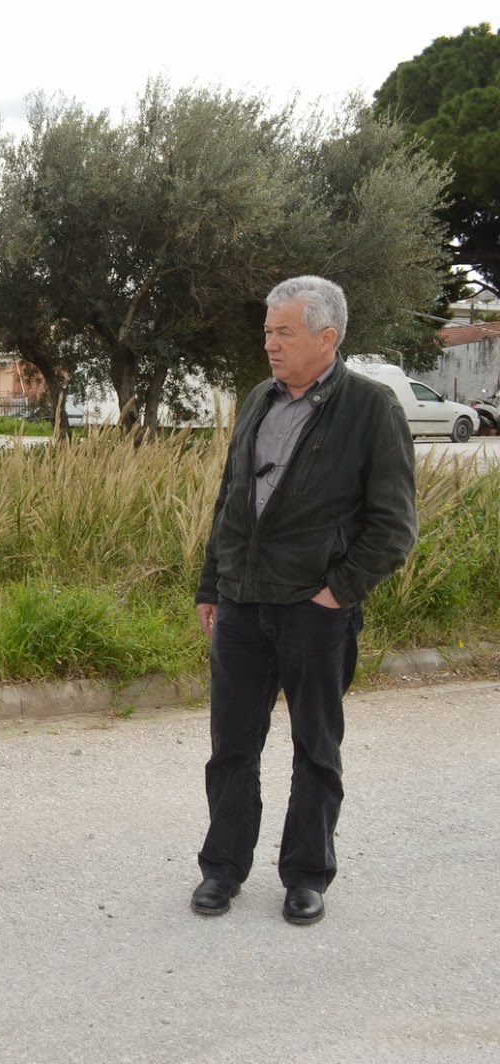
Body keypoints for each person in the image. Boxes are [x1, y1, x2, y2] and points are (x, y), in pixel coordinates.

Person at [191, 275, 417, 926]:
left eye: (283, 332)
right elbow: (232, 503)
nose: (269, 343)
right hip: (241, 605)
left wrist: (337, 591)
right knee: (231, 746)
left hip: (314, 613)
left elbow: (394, 525)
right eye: (266, 331)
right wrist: (213, 583)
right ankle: (222, 870)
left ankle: (306, 876)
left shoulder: (371, 409)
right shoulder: (259, 400)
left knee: (316, 749)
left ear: (328, 337)